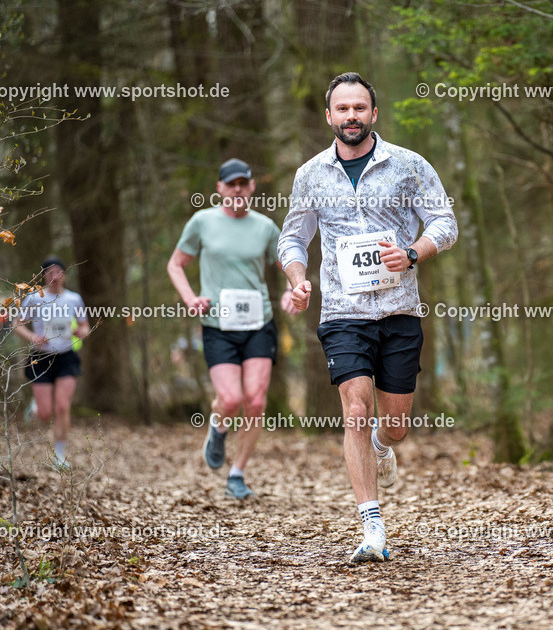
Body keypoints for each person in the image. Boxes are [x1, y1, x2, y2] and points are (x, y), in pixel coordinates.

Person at [279, 72, 457, 563]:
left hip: (399, 310)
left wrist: (414, 252)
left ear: (374, 114)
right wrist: (297, 279)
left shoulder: (408, 165)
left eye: (360, 108)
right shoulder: (311, 174)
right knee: (355, 411)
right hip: (342, 314)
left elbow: (445, 221)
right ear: (330, 116)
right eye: (343, 109)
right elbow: (292, 238)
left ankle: (384, 443)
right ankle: (372, 526)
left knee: (395, 424)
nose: (351, 116)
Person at [168, 158, 300, 500]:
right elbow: (176, 264)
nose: (238, 189)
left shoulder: (266, 227)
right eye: (231, 184)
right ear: (220, 189)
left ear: (252, 187)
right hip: (218, 324)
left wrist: (292, 289)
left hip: (259, 323)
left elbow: (288, 263)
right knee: (230, 399)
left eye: (244, 183)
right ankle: (218, 426)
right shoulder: (202, 222)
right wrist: (190, 298)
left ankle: (237, 473)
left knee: (255, 402)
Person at [13, 257, 91, 471]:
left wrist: (80, 332)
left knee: (63, 406)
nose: (53, 276)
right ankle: (36, 407)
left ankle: (59, 455)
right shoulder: (34, 298)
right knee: (46, 413)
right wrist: (33, 338)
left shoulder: (74, 299)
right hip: (40, 358)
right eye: (48, 272)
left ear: (64, 274)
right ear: (44, 276)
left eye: (57, 271)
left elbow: (85, 326)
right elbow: (17, 324)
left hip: (66, 356)